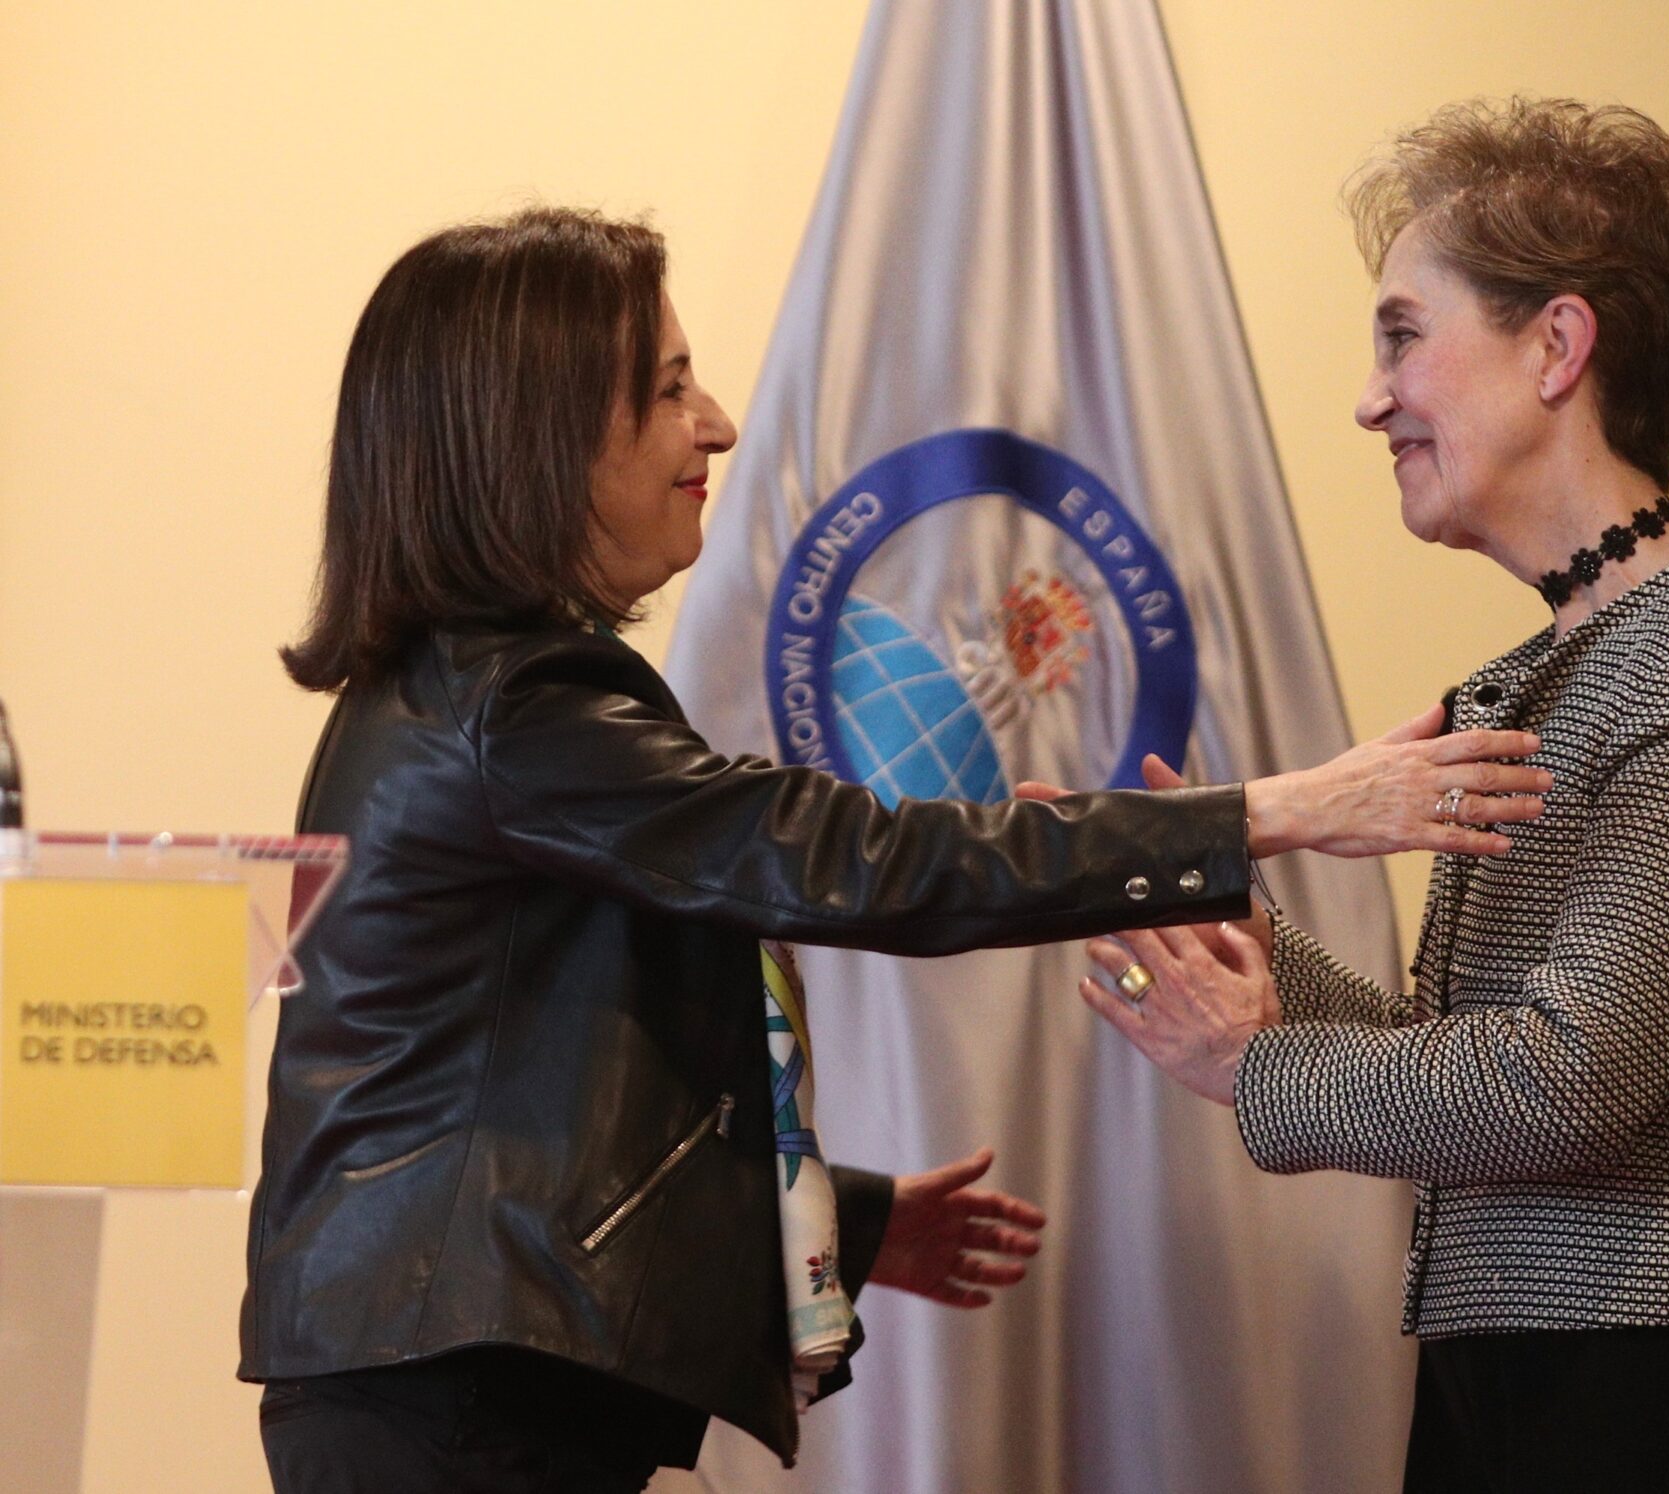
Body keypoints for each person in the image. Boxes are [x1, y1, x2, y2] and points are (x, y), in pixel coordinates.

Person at [240, 207, 1553, 1493]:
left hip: (439, 1373)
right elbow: (848, 856)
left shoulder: (462, 697)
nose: (719, 425)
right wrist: (1282, 810)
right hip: (453, 1395)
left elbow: (537, 1095)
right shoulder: (513, 710)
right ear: (536, 439)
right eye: (667, 388)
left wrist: (843, 1222)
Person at [1074, 100, 1669, 1492]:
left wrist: (1251, 1064)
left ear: (1557, 345)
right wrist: (1273, 963)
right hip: (1521, 1356)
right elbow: (1483, 1051)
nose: (1370, 395)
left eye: (1402, 333)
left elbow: (1568, 1082)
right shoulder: (1544, 668)